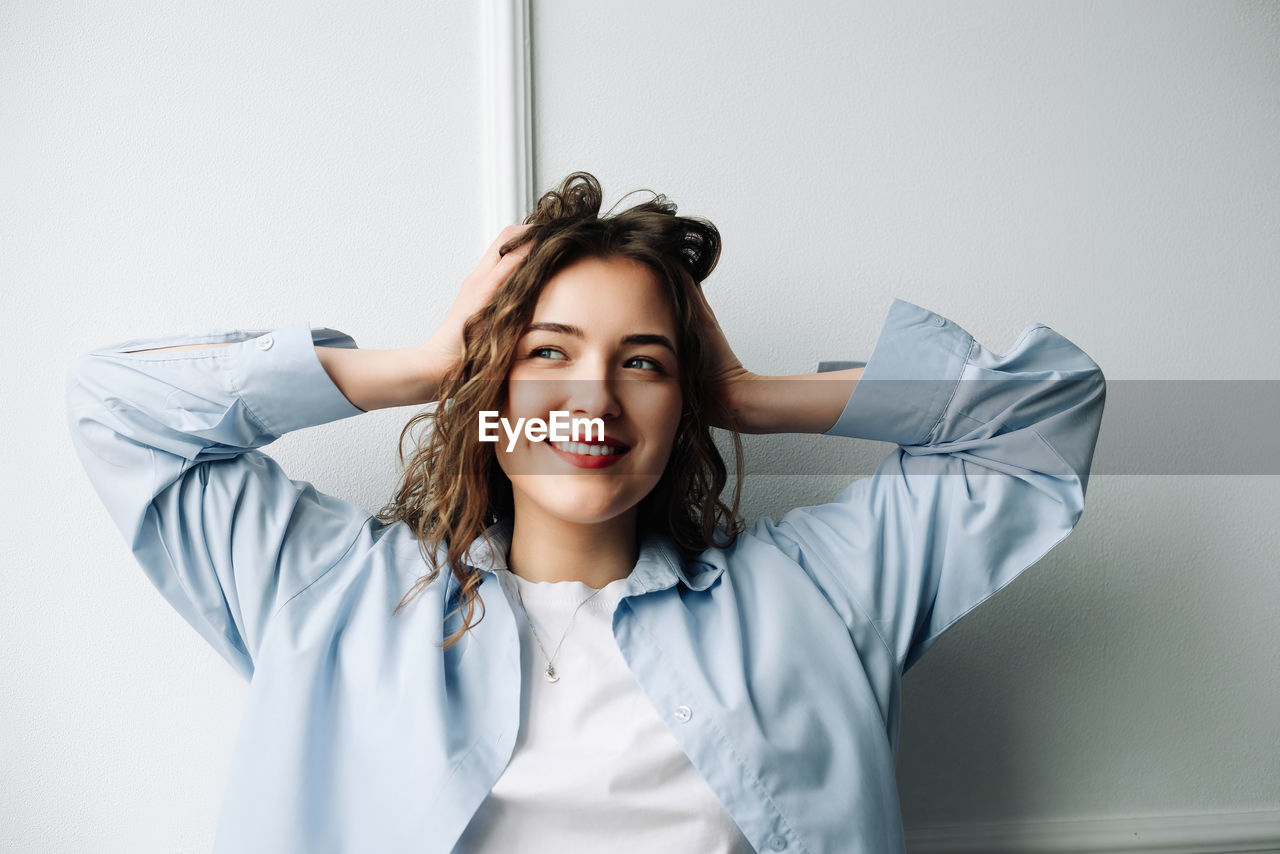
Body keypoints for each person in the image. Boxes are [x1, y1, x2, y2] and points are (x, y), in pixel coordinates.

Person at [67, 172, 1106, 854]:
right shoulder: (326, 592)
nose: (592, 401)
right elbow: (118, 407)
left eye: (641, 363)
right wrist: (423, 364)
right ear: (488, 391)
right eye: (546, 353)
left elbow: (1042, 420)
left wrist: (742, 394)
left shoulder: (821, 594)